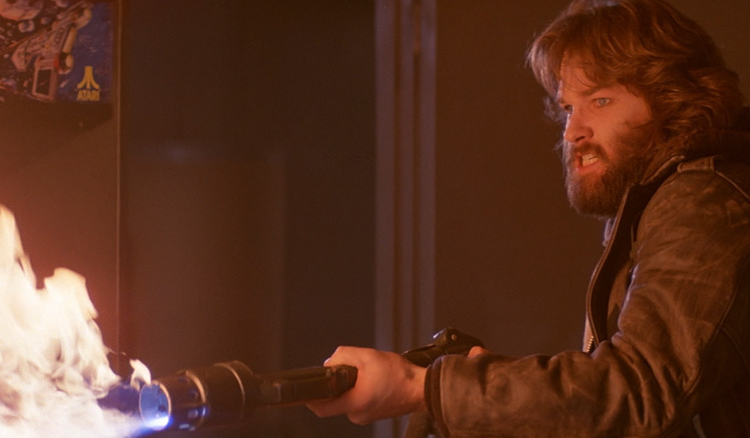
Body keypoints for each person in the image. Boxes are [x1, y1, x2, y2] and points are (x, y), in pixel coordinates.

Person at [307, 0, 750, 436]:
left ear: (674, 101)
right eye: (568, 108)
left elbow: (639, 390)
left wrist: (419, 387)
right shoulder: (667, 203)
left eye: (600, 100)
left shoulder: (703, 200)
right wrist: (479, 397)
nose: (573, 131)